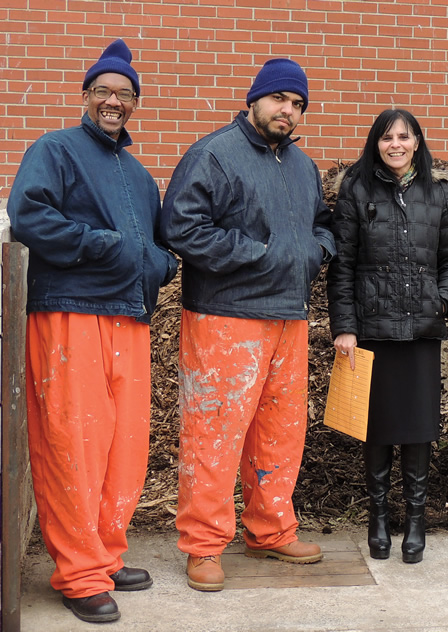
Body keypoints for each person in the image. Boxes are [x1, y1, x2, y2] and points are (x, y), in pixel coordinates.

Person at [6, 39, 177, 624]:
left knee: (123, 449)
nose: (113, 101)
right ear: (85, 96)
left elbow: (155, 247)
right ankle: (77, 573)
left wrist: (160, 264)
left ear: (134, 105)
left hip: (128, 318)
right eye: (103, 91)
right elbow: (29, 216)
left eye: (124, 94)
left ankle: (104, 554)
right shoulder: (54, 150)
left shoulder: (137, 172)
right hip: (69, 313)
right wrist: (110, 246)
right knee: (71, 445)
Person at [160, 58, 336, 592]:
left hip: (289, 317)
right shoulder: (214, 154)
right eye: (280, 99)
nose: (289, 110)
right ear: (255, 99)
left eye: (298, 103)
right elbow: (181, 227)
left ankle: (270, 528)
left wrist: (312, 252)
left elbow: (322, 227)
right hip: (225, 318)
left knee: (281, 432)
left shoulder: (303, 166)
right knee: (214, 435)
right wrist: (256, 253)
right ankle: (204, 544)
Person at [328, 108, 448, 564]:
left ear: (417, 142)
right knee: (378, 428)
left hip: (422, 332)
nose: (396, 144)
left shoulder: (437, 194)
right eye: (387, 137)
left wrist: (443, 301)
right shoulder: (356, 190)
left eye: (404, 137)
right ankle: (379, 519)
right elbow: (342, 264)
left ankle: (415, 520)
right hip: (373, 331)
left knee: (418, 429)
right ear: (376, 143)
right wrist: (345, 327)